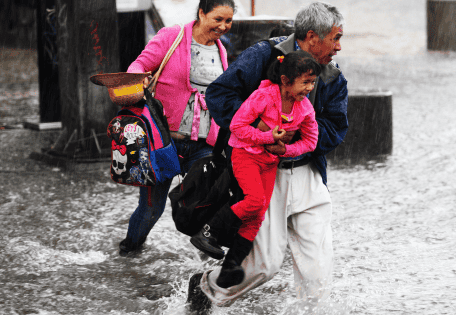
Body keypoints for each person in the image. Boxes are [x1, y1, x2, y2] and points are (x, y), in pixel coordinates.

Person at [188, 2, 347, 312]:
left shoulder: (332, 78)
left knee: (318, 273)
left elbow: (335, 128)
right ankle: (206, 288)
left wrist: (296, 140)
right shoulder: (263, 56)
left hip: (308, 173)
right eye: (336, 38)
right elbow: (219, 94)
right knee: (265, 265)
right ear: (312, 37)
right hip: (262, 171)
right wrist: (259, 128)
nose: (339, 47)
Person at [190, 50, 321, 289]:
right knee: (255, 199)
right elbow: (237, 126)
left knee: (258, 213)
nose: (309, 88)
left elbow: (311, 142)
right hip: (245, 155)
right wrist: (265, 136)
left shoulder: (304, 109)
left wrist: (284, 151)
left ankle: (231, 266)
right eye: (305, 82)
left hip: (269, 161)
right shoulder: (264, 96)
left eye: (313, 82)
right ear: (285, 81)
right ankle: (208, 232)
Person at [118, 0, 235, 256]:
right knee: (151, 209)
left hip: (204, 144)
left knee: (208, 203)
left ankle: (208, 264)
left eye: (228, 21)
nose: (223, 26)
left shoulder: (221, 49)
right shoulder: (173, 36)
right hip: (164, 143)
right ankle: (129, 250)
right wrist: (140, 79)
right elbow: (138, 65)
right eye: (218, 19)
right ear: (202, 13)